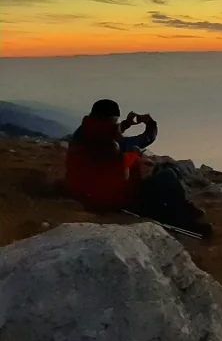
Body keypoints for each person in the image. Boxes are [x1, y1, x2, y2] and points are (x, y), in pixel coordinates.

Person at [64, 99, 211, 238]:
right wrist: (135, 152)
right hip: (113, 197)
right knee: (167, 175)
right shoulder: (107, 142)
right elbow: (122, 173)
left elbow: (109, 143)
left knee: (162, 172)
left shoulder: (86, 131)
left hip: (88, 190)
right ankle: (187, 220)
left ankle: (185, 211)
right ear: (107, 121)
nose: (117, 126)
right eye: (114, 122)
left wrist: (127, 124)